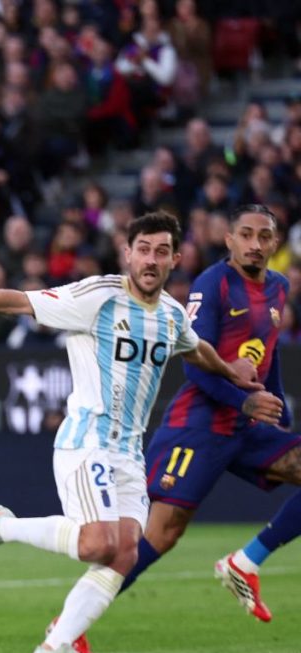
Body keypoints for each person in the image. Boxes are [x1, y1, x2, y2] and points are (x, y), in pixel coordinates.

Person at [0, 211, 260, 653]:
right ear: (127, 254)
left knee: (126, 553)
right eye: (143, 249)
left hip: (129, 452)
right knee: (97, 545)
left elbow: (194, 347)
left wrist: (230, 371)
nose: (151, 259)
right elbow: (18, 302)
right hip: (87, 440)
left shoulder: (170, 314)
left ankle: (57, 646)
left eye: (161, 251)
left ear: (175, 260)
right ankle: (2, 527)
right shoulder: (98, 297)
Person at [114, 205, 300, 623]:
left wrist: (277, 406)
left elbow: (268, 354)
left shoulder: (279, 287)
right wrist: (245, 402)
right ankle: (70, 624)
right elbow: (195, 365)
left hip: (245, 427)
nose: (255, 244)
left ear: (275, 243)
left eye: (264, 236)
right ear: (229, 240)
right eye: (246, 235)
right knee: (161, 534)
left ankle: (245, 563)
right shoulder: (213, 284)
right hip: (198, 425)